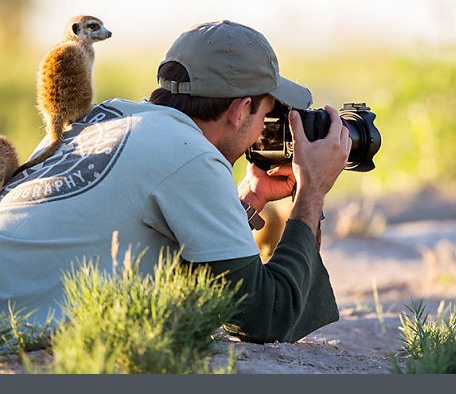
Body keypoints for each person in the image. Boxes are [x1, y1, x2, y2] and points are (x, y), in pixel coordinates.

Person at [0, 20, 351, 343]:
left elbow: (191, 263)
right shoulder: (192, 154)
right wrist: (311, 193)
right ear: (240, 110)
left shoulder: (100, 118)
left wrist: (251, 197)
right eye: (266, 114)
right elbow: (264, 317)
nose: (263, 130)